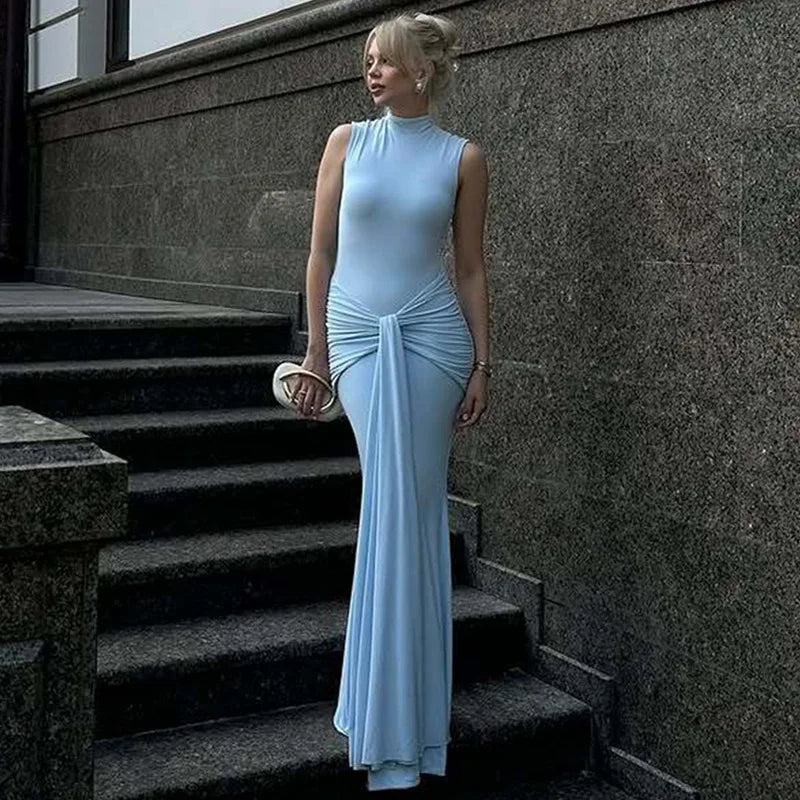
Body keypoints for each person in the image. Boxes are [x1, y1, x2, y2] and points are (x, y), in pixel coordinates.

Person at [285, 11, 490, 792]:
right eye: (369, 60)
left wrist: (483, 362)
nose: (374, 72)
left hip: (436, 341)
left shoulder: (463, 157)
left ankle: (410, 726)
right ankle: (382, 717)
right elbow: (321, 250)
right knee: (388, 503)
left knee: (417, 507)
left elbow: (469, 267)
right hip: (360, 338)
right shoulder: (347, 141)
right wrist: (315, 352)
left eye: (388, 62)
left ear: (424, 72)